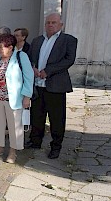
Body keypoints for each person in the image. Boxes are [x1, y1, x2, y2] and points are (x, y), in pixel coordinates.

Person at [26, 13, 78, 159]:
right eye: (48, 22)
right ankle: (35, 141)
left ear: (61, 25)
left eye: (53, 22)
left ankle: (56, 146)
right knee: (37, 115)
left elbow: (68, 60)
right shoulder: (37, 40)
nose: (50, 25)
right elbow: (29, 58)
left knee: (56, 119)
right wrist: (33, 68)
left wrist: (48, 72)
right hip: (37, 85)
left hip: (56, 85)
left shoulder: (68, 40)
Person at [0, 34, 34, 163]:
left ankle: (13, 151)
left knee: (14, 126)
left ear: (10, 47)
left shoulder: (21, 57)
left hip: (14, 98)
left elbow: (29, 77)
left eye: (1, 47)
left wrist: (27, 96)